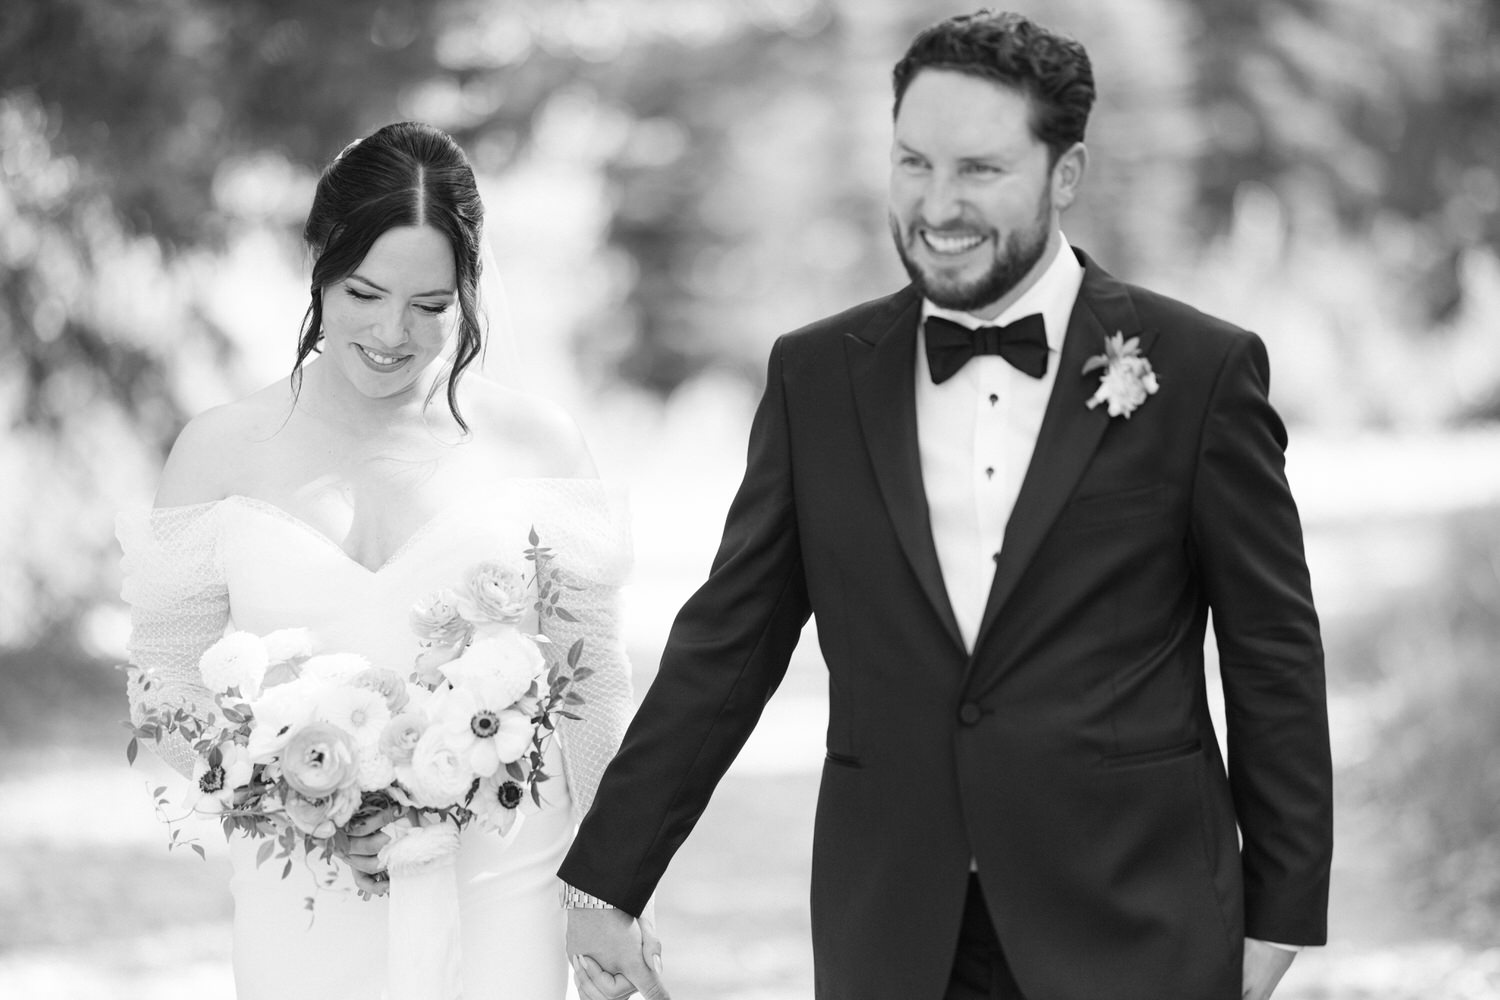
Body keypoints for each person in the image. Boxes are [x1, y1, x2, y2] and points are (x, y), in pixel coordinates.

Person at [558, 11, 1332, 1000]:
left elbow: (1272, 650)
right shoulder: (815, 378)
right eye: (913, 163)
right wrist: (610, 879)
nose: (938, 204)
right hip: (895, 929)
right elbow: (728, 643)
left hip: (1137, 917)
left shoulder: (1199, 371)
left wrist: (1282, 906)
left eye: (979, 170)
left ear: (1066, 175)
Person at [118, 121, 656, 999]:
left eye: (432, 305)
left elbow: (593, 688)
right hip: (303, 889)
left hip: (502, 877)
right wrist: (298, 798)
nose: (392, 332)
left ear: (470, 290)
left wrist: (613, 886)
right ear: (318, 264)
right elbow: (165, 680)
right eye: (363, 292)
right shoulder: (218, 450)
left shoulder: (537, 443)